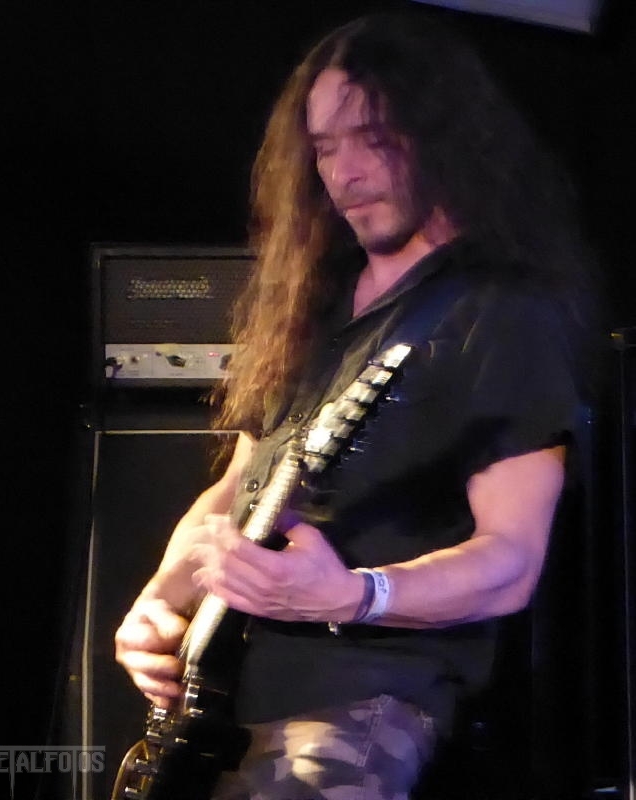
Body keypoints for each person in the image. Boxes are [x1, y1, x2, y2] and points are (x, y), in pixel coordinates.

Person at [115, 12, 597, 800]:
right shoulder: (316, 302)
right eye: (325, 147)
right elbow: (236, 492)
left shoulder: (503, 313)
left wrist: (357, 593)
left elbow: (511, 558)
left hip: (363, 698)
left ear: (445, 136)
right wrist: (155, 604)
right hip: (224, 697)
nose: (345, 173)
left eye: (373, 139)